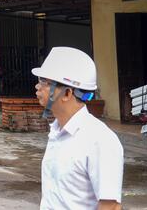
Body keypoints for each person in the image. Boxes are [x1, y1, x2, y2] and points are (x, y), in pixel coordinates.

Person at [33, 46, 123, 210]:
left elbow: (110, 206)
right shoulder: (56, 132)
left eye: (44, 82)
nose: (37, 87)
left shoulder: (99, 140)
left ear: (67, 94)